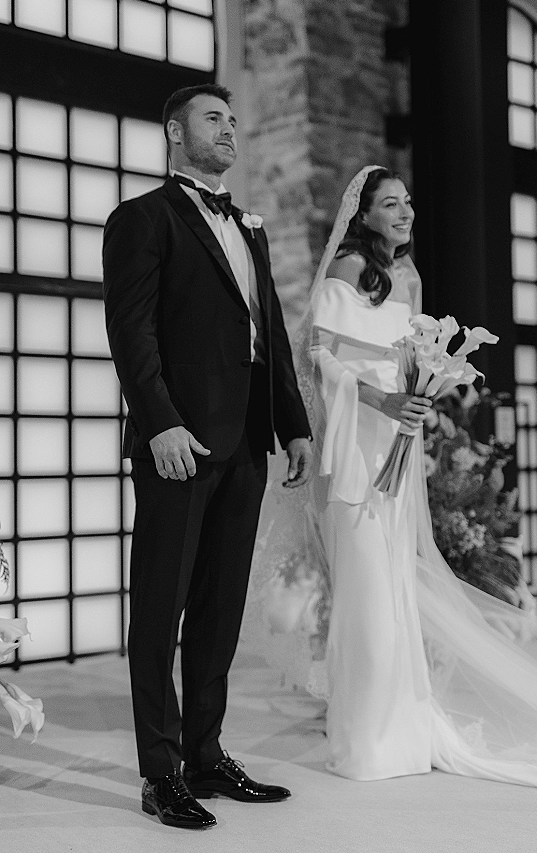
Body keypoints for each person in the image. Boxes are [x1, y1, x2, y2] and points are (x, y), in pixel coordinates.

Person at [278, 165, 537, 789]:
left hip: (399, 435)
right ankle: (367, 740)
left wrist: (419, 396)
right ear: (362, 216)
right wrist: (376, 399)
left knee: (394, 586)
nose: (405, 211)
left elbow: (410, 354)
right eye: (390, 204)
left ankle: (405, 730)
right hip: (358, 435)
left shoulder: (408, 278)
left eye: (408, 201)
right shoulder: (345, 272)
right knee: (364, 587)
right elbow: (318, 352)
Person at [102, 83, 313, 830]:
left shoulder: (249, 228)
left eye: (232, 121)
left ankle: (207, 755)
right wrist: (157, 422)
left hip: (246, 441)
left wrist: (292, 424)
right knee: (161, 608)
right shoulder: (142, 219)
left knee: (221, 609)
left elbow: (271, 337)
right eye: (213, 119)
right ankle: (161, 775)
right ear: (174, 131)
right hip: (179, 443)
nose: (229, 130)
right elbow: (133, 332)